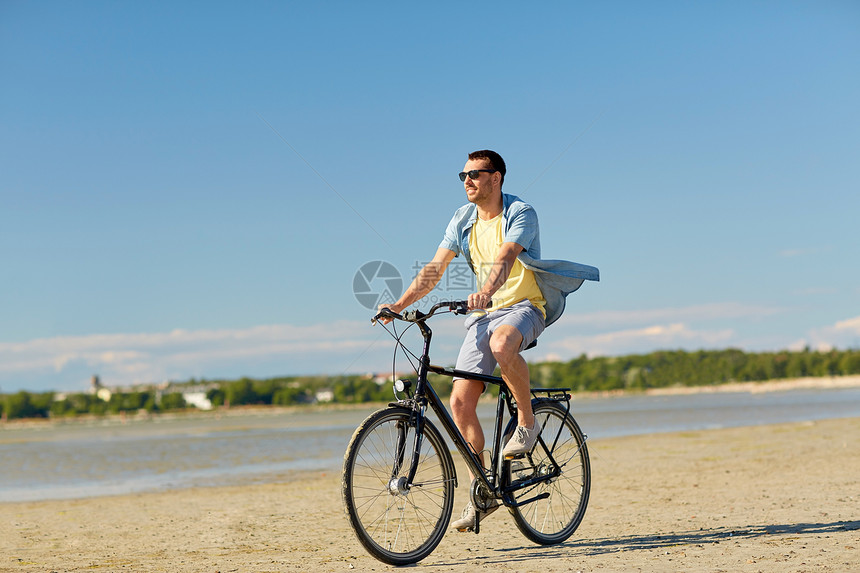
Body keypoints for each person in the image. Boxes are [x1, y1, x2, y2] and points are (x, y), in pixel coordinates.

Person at [378, 149, 598, 531]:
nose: (467, 181)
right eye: (462, 175)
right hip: (484, 314)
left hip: (525, 306)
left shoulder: (521, 213)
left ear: (496, 178)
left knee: (501, 343)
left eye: (475, 174)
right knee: (460, 402)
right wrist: (398, 304)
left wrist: (486, 289)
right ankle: (483, 487)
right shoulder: (462, 220)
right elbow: (434, 268)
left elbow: (506, 257)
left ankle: (527, 424)